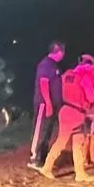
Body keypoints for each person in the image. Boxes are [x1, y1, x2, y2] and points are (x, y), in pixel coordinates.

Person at [38, 59, 94, 182]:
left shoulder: (67, 75)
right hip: (77, 112)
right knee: (77, 143)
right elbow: (91, 97)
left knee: (64, 141)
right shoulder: (84, 78)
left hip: (65, 110)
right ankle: (51, 168)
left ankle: (51, 167)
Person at [28, 41, 65, 171]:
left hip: (53, 104)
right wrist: (48, 103)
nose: (64, 54)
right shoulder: (45, 64)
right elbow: (43, 83)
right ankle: (34, 158)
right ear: (58, 51)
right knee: (40, 130)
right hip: (43, 104)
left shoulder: (54, 66)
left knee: (47, 132)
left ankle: (43, 158)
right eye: (63, 51)